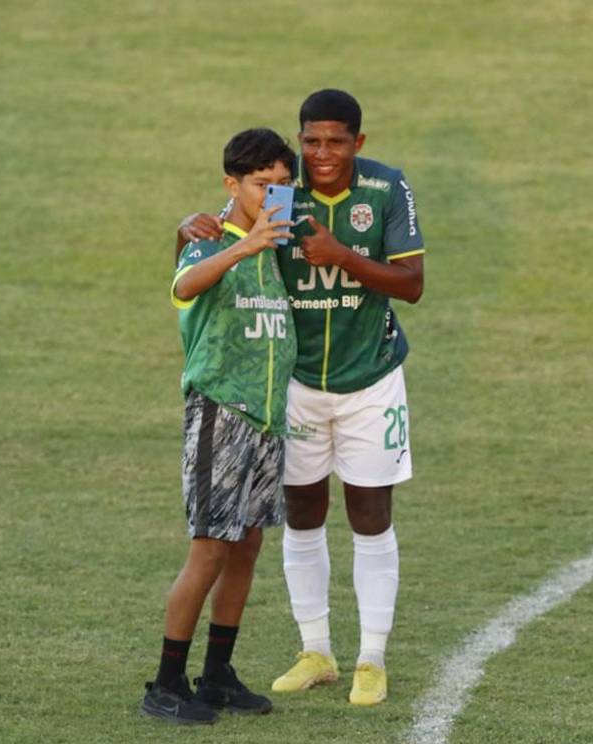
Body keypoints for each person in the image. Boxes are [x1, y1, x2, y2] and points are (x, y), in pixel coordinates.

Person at [177, 90, 424, 706]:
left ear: (358, 144)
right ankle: (315, 650)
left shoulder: (387, 190)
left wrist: (343, 257)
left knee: (370, 513)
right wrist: (183, 227)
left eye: (336, 142)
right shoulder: (282, 188)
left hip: (371, 376)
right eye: (311, 141)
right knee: (301, 512)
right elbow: (223, 229)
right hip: (295, 384)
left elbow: (412, 284)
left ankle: (372, 656)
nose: (322, 154)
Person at [142, 128, 297, 725]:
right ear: (232, 184)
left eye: (284, 185)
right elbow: (183, 287)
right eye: (263, 185)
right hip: (220, 413)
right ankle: (165, 681)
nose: (275, 195)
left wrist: (266, 241)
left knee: (247, 544)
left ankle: (218, 675)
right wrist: (243, 244)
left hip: (267, 420)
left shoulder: (277, 244)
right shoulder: (208, 241)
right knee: (209, 548)